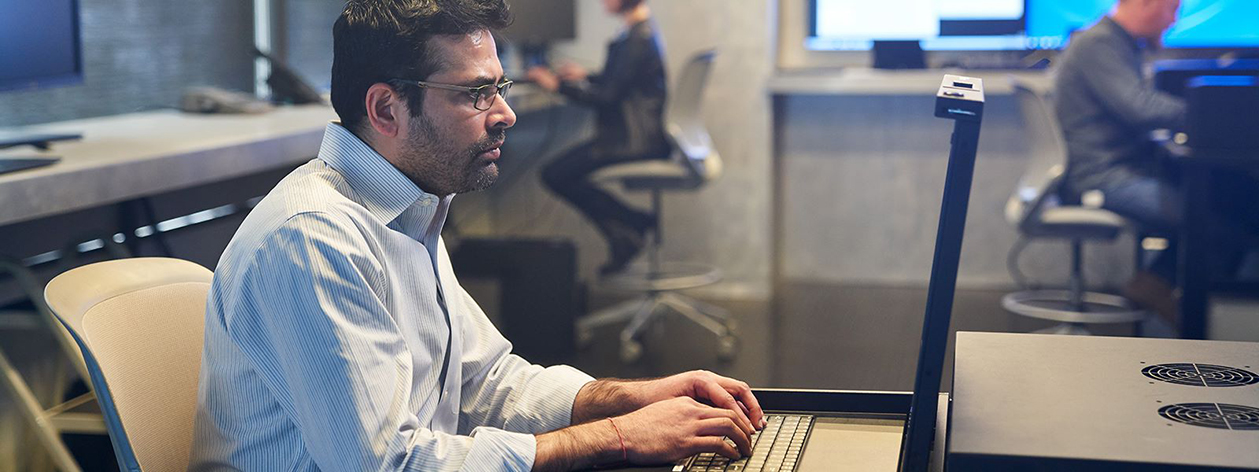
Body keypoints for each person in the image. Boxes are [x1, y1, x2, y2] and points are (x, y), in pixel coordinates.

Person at [189, 1, 764, 470]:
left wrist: (627, 399)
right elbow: (388, 465)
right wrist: (615, 436)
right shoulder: (314, 239)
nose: (507, 113)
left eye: (501, 86)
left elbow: (485, 382)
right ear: (387, 109)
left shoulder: (411, 207)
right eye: (476, 93)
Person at [1054, 0, 1259, 321]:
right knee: (1216, 222)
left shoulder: (1119, 42)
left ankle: (1164, 288)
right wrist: (1211, 115)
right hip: (1104, 178)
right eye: (1170, 9)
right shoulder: (1100, 43)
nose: (1173, 20)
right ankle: (1178, 301)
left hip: (1123, 170)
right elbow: (1140, 107)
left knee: (1233, 201)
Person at [527, 0, 669, 275]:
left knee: (555, 175)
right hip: (637, 137)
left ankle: (632, 223)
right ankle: (627, 231)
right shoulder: (640, 31)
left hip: (630, 142)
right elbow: (619, 81)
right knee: (560, 173)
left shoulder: (637, 38)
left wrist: (556, 85)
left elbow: (607, 96)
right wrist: (585, 76)